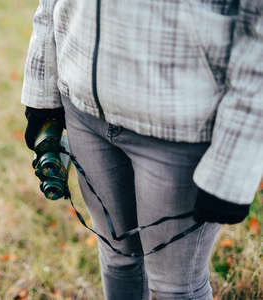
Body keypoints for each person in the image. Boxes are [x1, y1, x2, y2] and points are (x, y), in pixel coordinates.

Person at [21, 1, 263, 300]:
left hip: (180, 132)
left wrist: (232, 166)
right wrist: (42, 93)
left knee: (176, 289)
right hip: (84, 111)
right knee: (117, 259)